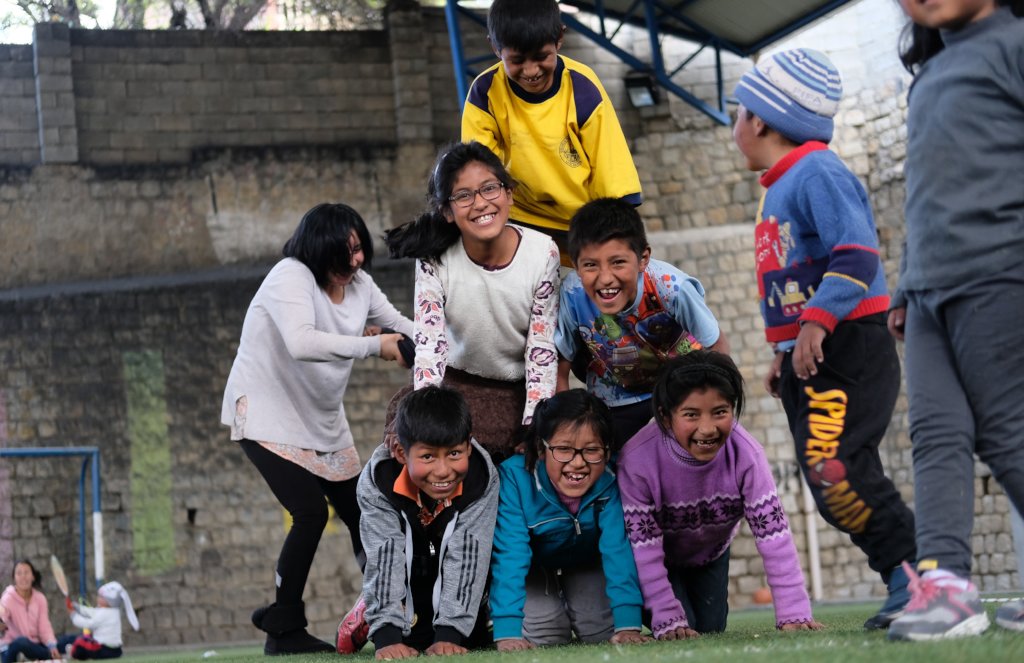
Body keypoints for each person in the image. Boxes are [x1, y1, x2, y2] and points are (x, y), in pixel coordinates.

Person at [732, 47, 917, 630]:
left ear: (759, 119)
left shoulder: (818, 170)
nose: (734, 123)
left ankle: (918, 577)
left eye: (738, 112)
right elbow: (797, 275)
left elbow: (857, 254)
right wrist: (785, 349)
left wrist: (816, 324)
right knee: (825, 475)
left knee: (839, 468)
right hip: (813, 352)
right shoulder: (781, 184)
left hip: (848, 345)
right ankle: (906, 578)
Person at [885, 0, 1024, 641]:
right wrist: (905, 283)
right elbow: (924, 191)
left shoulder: (1013, 45)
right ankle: (946, 586)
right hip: (927, 293)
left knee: (1005, 432)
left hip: (999, 275)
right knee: (935, 434)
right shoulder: (929, 76)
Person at [220, 202, 414, 655]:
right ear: (318, 249)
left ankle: (389, 612)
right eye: (345, 252)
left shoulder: (361, 285)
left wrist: (437, 343)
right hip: (266, 411)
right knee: (309, 513)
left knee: (363, 513)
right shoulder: (290, 276)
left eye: (360, 249)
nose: (357, 260)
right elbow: (302, 342)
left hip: (322, 418)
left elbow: (401, 325)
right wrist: (375, 346)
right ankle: (283, 630)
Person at [617, 351, 823, 637]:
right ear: (665, 417)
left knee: (710, 629)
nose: (707, 428)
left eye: (720, 412)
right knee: (678, 628)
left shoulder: (747, 455)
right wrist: (667, 617)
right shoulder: (637, 461)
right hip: (658, 557)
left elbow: (775, 537)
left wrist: (793, 612)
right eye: (691, 415)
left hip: (710, 553)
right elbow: (644, 549)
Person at [385, 141, 560, 463]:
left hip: (514, 393)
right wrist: (429, 415)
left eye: (490, 189)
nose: (480, 203)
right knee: (404, 450)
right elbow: (430, 345)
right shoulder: (434, 259)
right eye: (464, 196)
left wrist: (533, 422)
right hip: (453, 388)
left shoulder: (542, 253)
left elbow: (542, 348)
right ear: (447, 211)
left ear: (509, 193)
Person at [461, 0, 642, 263]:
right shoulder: (484, 92)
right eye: (517, 60)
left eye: (541, 57)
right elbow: (480, 172)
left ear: (559, 39)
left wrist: (618, 241)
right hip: (520, 229)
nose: (531, 70)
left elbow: (612, 173)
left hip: (583, 229)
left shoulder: (583, 87)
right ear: (495, 47)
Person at [554, 198, 728, 451]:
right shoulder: (572, 294)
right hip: (614, 397)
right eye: (590, 265)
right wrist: (564, 425)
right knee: (620, 466)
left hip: (680, 391)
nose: (605, 279)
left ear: (643, 258)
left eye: (618, 262)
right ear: (576, 265)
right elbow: (561, 366)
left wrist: (710, 408)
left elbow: (717, 347)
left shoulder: (671, 288)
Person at [489, 389, 649, 651]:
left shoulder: (611, 479)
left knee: (602, 632)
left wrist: (628, 625)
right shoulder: (515, 478)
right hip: (535, 569)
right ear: (542, 448)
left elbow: (618, 550)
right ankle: (497, 615)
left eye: (592, 450)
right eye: (563, 449)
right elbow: (510, 553)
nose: (577, 463)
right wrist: (506, 630)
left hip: (586, 562)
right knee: (546, 638)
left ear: (607, 452)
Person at [357, 386, 499, 659]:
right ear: (400, 452)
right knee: (411, 635)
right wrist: (387, 636)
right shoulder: (378, 481)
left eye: (455, 454)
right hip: (408, 563)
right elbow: (385, 555)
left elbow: (469, 554)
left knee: (471, 639)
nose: (443, 470)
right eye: (428, 457)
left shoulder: (481, 478)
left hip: (449, 562)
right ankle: (371, 608)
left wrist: (449, 633)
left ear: (469, 446)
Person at [57, 582, 139, 660]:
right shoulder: (112, 611)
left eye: (101, 597)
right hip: (116, 651)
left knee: (80, 643)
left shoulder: (105, 613)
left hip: (103, 648)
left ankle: (72, 652)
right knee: (79, 639)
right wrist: (77, 607)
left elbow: (88, 624)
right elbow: (92, 612)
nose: (98, 598)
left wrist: (73, 615)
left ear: (109, 601)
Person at [0, 560, 60, 662]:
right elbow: (3, 613)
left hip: (33, 646)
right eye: (19, 573)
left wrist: (51, 645)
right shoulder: (7, 598)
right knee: (20, 642)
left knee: (60, 643)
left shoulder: (40, 599)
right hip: (11, 647)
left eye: (26, 572)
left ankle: (35, 657)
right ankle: (42, 657)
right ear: (14, 578)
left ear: (33, 576)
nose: (23, 577)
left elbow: (44, 627)